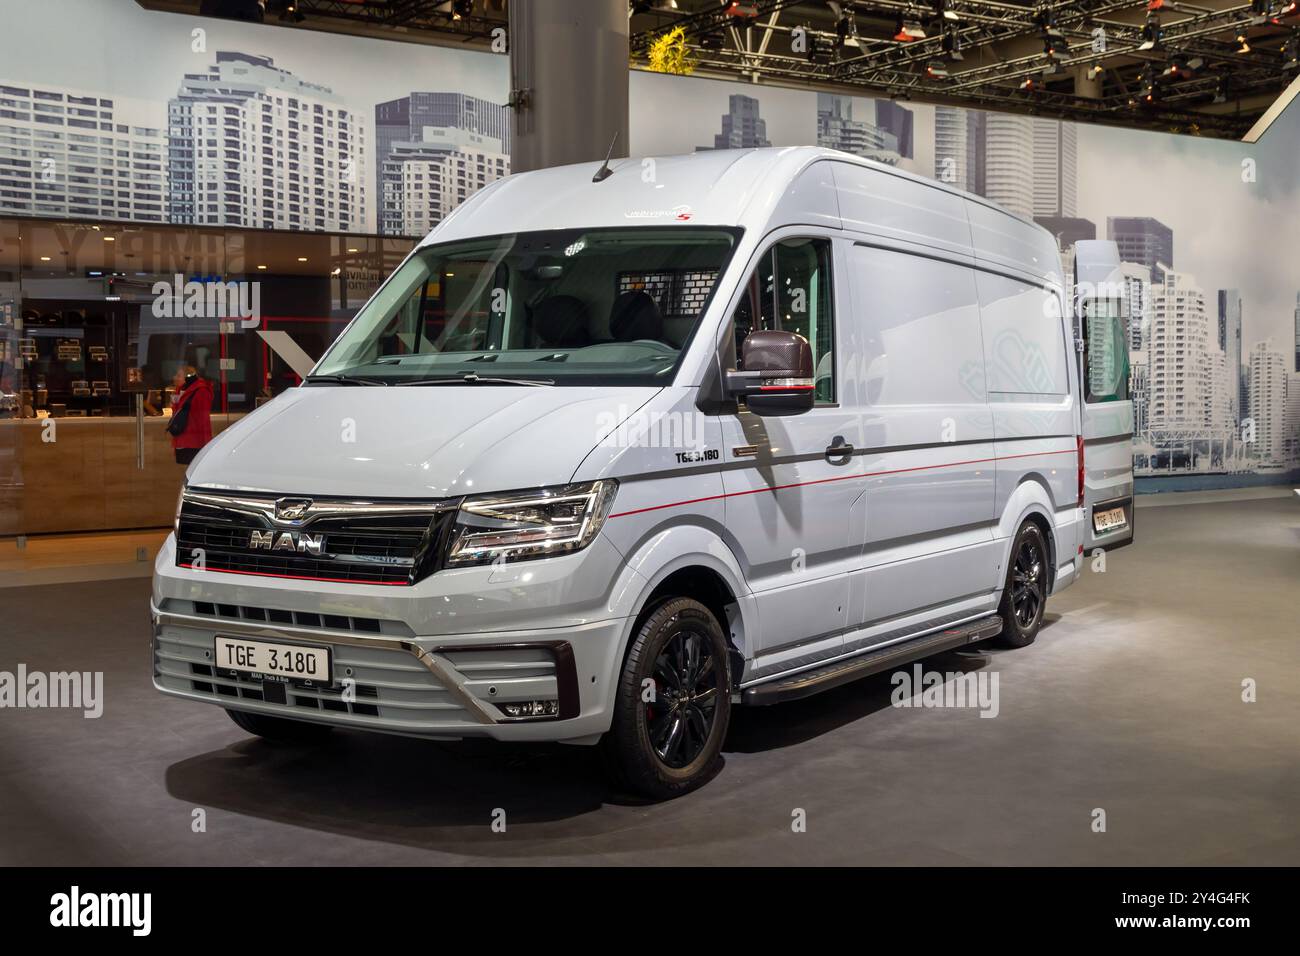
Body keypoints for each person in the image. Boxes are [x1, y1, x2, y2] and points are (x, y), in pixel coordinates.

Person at [169, 365, 213, 465]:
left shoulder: (201, 391)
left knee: (193, 468)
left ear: (187, 377)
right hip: (183, 438)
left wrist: (206, 443)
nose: (175, 377)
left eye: (179, 375)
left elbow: (202, 418)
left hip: (195, 440)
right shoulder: (180, 390)